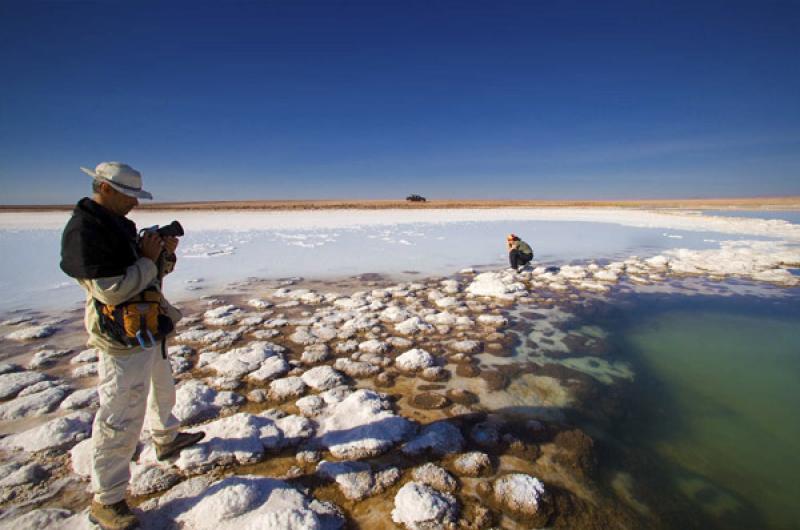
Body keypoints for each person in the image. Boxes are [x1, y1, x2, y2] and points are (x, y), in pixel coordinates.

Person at [60, 162, 204, 530]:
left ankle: (166, 438)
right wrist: (147, 259)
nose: (135, 204)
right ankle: (106, 500)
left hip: (148, 327)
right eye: (130, 195)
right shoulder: (85, 232)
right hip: (121, 339)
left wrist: (163, 256)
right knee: (120, 415)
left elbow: (149, 276)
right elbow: (112, 289)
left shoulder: (116, 226)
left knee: (162, 388)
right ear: (105, 189)